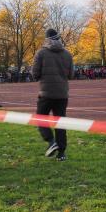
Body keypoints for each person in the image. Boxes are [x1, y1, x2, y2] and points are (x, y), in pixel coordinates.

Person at [32, 28, 74, 162]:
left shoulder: (41, 53)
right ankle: (61, 154)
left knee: (40, 118)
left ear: (47, 39)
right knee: (60, 122)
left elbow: (35, 74)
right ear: (58, 38)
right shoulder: (68, 54)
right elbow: (71, 75)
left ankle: (51, 142)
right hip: (62, 94)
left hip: (46, 92)